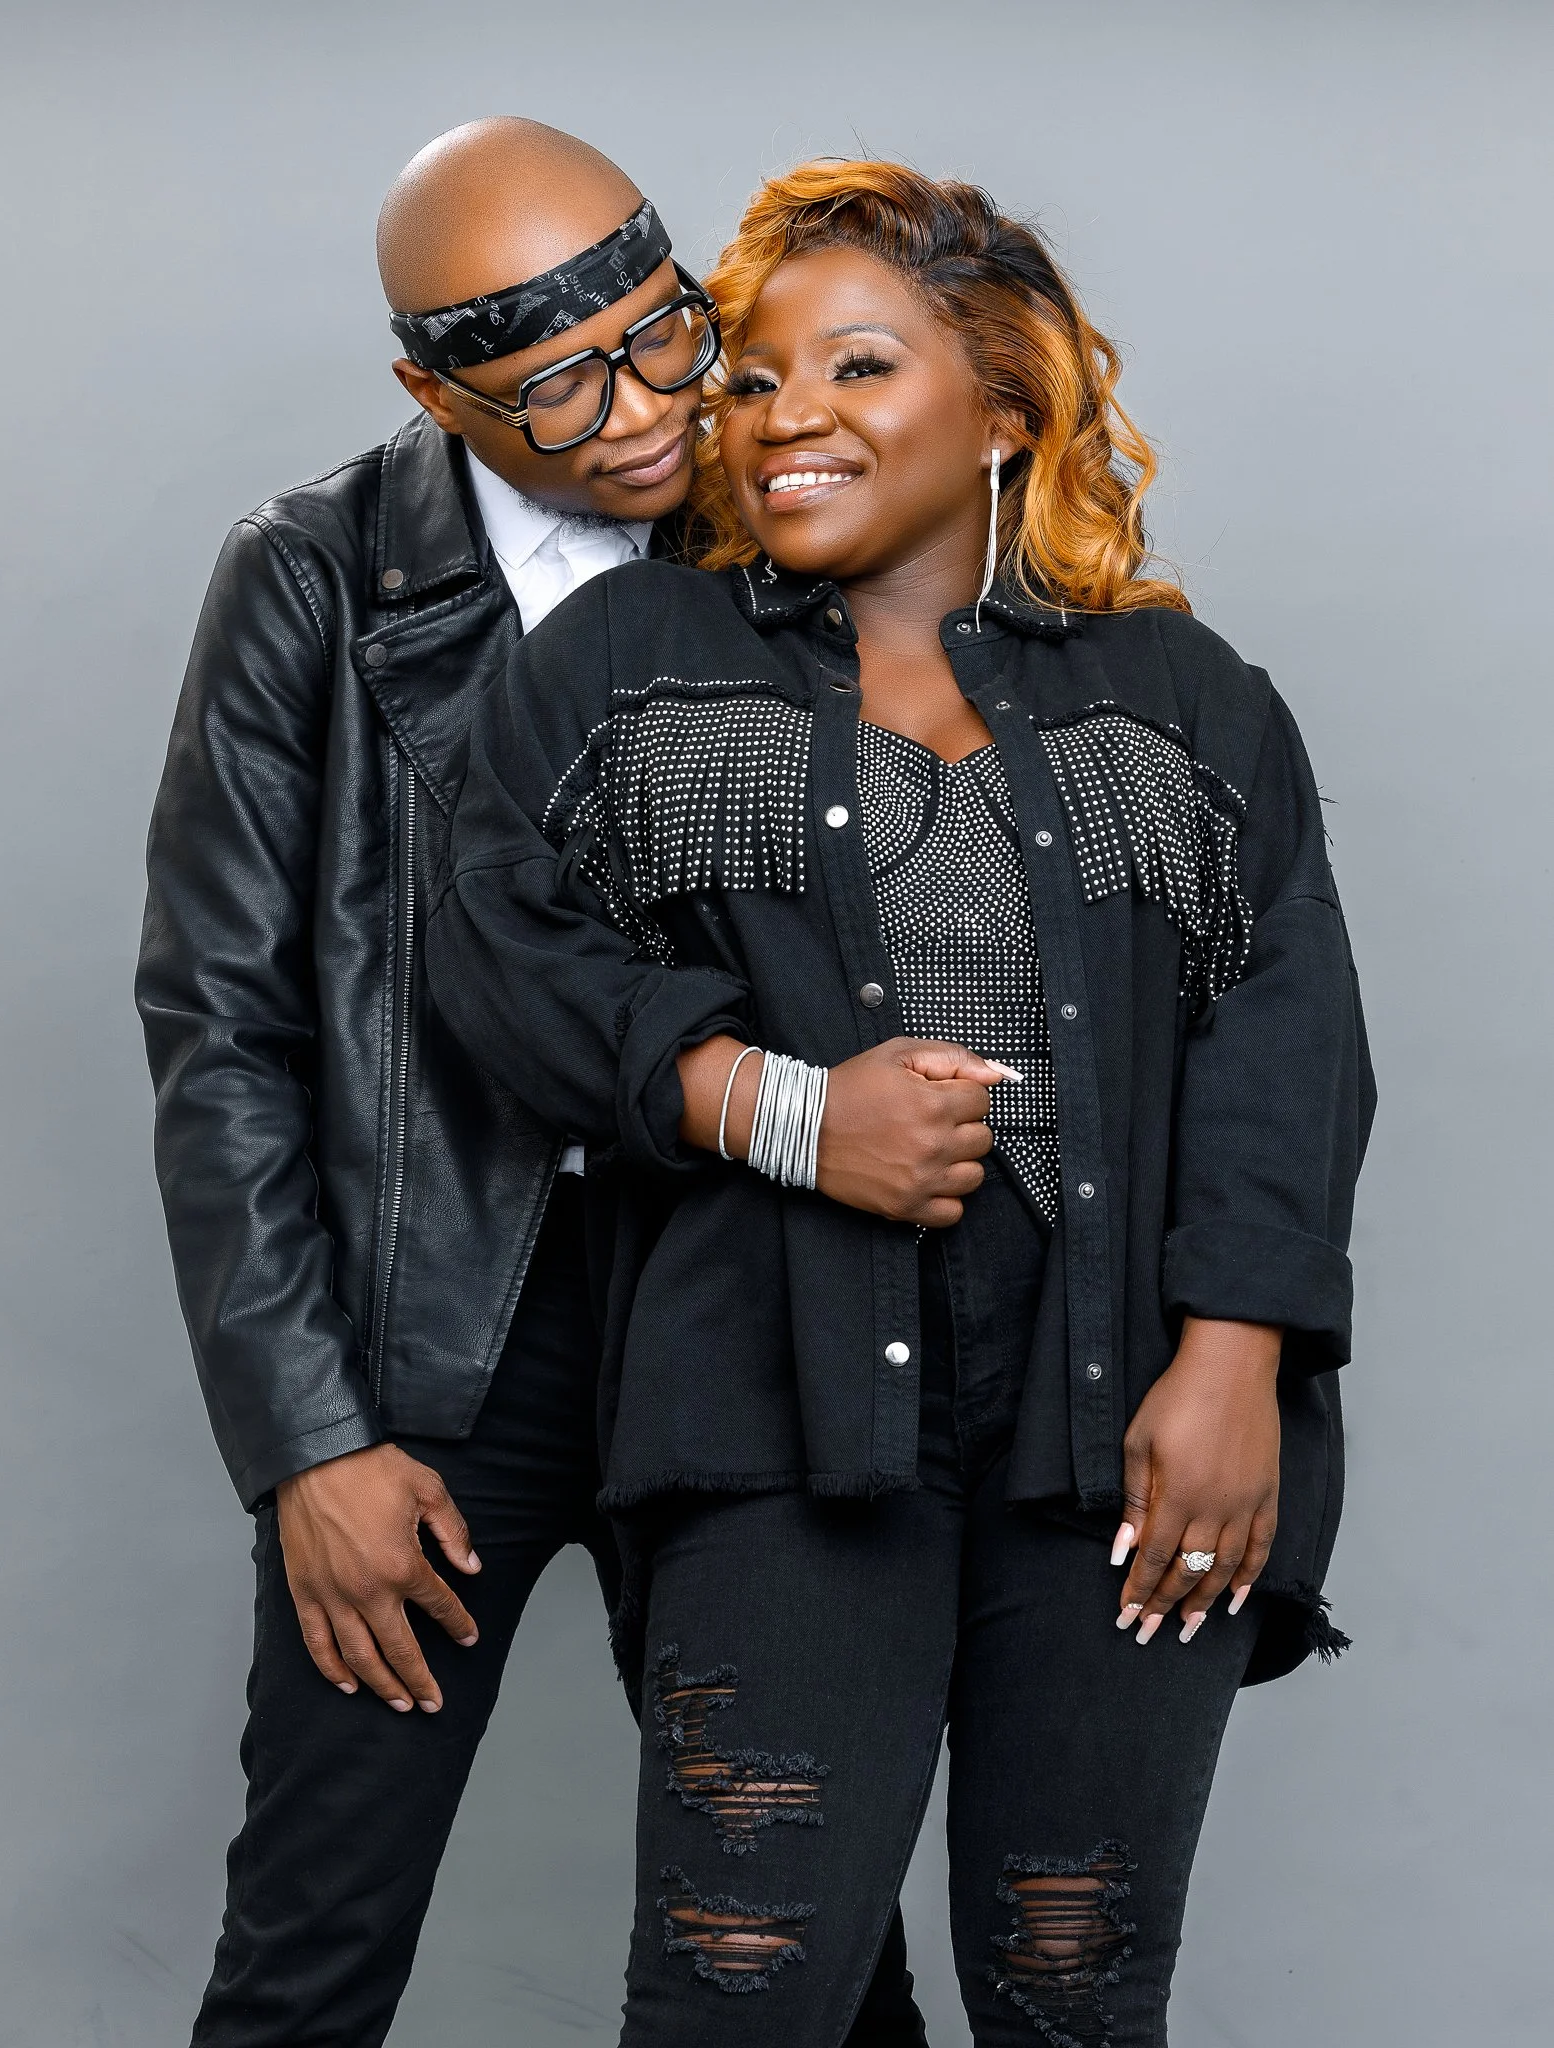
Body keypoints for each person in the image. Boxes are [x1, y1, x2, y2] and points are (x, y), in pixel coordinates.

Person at [428, 159, 1375, 2046]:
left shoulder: (1187, 699)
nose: (787, 416)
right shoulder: (623, 666)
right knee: (737, 1993)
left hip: (1125, 1429)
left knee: (1072, 1988)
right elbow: (496, 956)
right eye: (758, 374)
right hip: (773, 1412)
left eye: (857, 365)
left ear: (1006, 407)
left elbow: (1287, 1035)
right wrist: (773, 1107)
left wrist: (1233, 1362)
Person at [137, 119, 925, 2046]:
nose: (645, 409)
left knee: (811, 1958)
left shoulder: (793, 526)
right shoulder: (314, 579)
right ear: (427, 385)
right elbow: (220, 1023)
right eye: (553, 380)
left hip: (744, 1318)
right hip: (431, 1351)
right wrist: (308, 1440)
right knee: (311, 1955)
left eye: (667, 336)